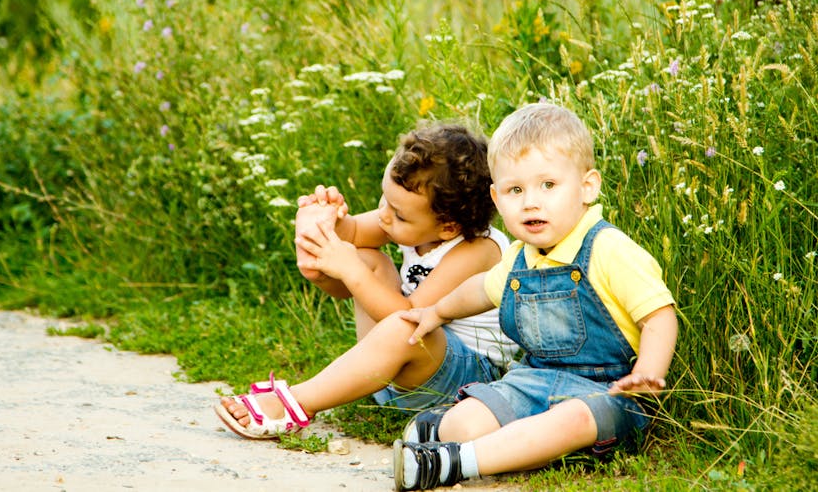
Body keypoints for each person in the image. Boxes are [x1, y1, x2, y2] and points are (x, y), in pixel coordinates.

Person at [392, 103, 679, 490]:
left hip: (606, 393)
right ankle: (449, 429)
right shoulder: (518, 259)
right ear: (496, 197)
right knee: (468, 421)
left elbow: (658, 315)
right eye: (515, 190)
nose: (530, 202)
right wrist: (436, 311)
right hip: (533, 381)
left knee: (572, 420)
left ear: (587, 186)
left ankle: (453, 463)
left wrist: (648, 373)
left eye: (548, 185)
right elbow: (480, 289)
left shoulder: (609, 249)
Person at [214, 123, 518, 439]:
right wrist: (326, 223)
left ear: (448, 227)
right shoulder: (406, 217)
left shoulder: (478, 249)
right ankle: (365, 374)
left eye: (398, 214)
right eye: (384, 199)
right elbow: (353, 234)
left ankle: (297, 402)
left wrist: (350, 269)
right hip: (405, 372)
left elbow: (410, 317)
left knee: (403, 322)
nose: (384, 216)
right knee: (366, 257)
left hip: (462, 381)